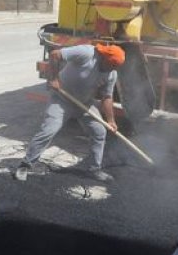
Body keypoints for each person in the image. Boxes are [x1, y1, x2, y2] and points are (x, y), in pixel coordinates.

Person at [14, 43, 126, 182]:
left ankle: (94, 169)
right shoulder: (87, 53)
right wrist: (54, 78)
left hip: (84, 103)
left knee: (99, 132)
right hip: (62, 99)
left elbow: (107, 97)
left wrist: (111, 120)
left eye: (115, 67)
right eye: (111, 65)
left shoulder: (111, 74)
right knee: (49, 129)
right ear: (104, 58)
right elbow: (55, 54)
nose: (112, 69)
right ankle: (25, 165)